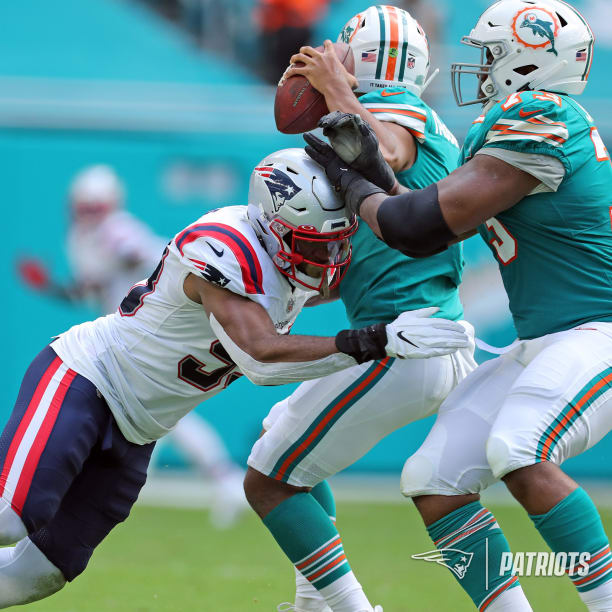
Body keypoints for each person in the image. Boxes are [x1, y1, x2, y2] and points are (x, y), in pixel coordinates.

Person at [0, 148, 469, 608]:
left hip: (141, 429)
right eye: (312, 244)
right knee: (9, 518)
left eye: (336, 241)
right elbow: (261, 358)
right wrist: (371, 340)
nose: (327, 257)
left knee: (37, 574)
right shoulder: (224, 245)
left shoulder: (295, 249)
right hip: (87, 381)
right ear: (272, 226)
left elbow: (398, 248)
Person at [306, 0, 612, 609]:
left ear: (530, 60)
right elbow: (419, 218)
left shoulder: (543, 115)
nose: (479, 65)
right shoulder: (507, 127)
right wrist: (368, 177)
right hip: (543, 341)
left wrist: (353, 178)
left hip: (596, 332)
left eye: (491, 53)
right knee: (435, 481)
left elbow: (415, 227)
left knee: (519, 449)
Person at [243, 7, 476, 612]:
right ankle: (313, 602)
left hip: (403, 341)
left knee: (267, 480)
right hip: (417, 332)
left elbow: (387, 149)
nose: (330, 58)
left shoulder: (399, 116)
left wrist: (334, 87)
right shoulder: (422, 119)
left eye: (342, 54)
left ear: (363, 59)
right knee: (283, 445)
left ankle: (345, 608)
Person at [17, 164, 248, 530]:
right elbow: (87, 290)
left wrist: (115, 265)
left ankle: (223, 479)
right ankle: (217, 480)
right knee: (157, 419)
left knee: (162, 418)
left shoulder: (118, 230)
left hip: (146, 334)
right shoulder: (81, 238)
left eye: (96, 205)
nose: (91, 213)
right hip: (117, 337)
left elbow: (155, 260)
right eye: (86, 206)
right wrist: (51, 287)